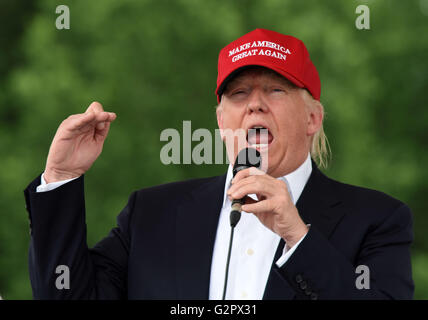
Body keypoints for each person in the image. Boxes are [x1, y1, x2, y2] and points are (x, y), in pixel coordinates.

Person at [24, 28, 413, 300]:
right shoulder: (152, 214)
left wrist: (297, 237)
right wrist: (61, 178)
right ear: (221, 120)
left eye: (276, 90)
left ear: (313, 118)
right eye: (239, 92)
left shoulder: (377, 219)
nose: (255, 104)